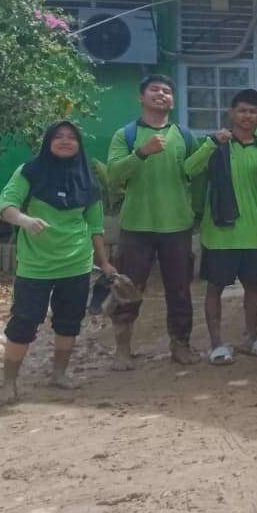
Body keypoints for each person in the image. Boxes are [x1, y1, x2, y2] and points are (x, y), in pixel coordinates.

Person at [0, 121, 113, 401]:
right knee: (24, 322)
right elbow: (5, 205)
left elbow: (95, 227)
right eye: (58, 136)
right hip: (36, 267)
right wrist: (24, 219)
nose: (65, 141)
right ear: (48, 141)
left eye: (71, 137)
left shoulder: (88, 181)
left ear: (79, 144)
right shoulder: (30, 172)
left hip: (77, 264)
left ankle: (59, 375)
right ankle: (8, 383)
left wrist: (105, 263)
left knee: (69, 321)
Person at [106, 74, 197, 366]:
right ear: (141, 98)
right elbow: (113, 176)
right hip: (137, 227)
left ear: (173, 99)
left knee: (180, 290)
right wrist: (141, 153)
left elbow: (197, 173)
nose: (161, 94)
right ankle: (122, 349)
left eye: (167, 90)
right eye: (154, 90)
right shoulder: (127, 134)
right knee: (127, 288)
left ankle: (180, 345)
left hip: (178, 226)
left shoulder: (185, 135)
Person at [182, 89, 257, 364]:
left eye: (252, 111)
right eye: (242, 111)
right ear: (231, 113)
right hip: (220, 233)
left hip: (254, 233)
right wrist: (212, 143)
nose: (247, 116)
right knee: (215, 287)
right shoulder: (216, 144)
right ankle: (216, 344)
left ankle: (251, 338)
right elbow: (189, 169)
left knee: (254, 287)